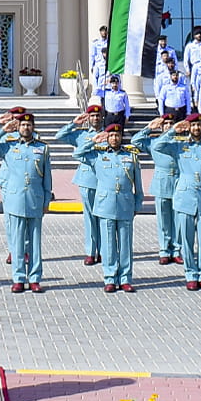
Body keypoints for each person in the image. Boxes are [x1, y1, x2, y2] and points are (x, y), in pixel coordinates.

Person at [0, 108, 53, 292]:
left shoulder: (42, 148)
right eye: (22, 125)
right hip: (15, 200)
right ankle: (19, 278)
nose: (25, 127)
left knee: (34, 243)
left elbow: (47, 178)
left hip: (35, 199)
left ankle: (35, 278)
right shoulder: (9, 146)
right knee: (18, 243)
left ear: (33, 127)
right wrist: (2, 129)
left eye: (29, 125)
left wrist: (46, 201)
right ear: (18, 127)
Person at [157, 110, 201, 290]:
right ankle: (190, 274)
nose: (196, 128)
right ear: (188, 127)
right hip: (184, 197)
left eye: (199, 125)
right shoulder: (179, 145)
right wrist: (173, 130)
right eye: (193, 125)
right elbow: (157, 146)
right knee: (186, 238)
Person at [74, 122, 142, 292]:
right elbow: (78, 153)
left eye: (117, 135)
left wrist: (137, 204)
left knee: (125, 244)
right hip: (105, 205)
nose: (114, 138)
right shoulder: (97, 155)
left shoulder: (131, 156)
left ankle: (125, 278)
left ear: (121, 137)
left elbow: (138, 186)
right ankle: (110, 277)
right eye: (111, 135)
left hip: (126, 203)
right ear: (107, 138)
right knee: (108, 243)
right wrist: (95, 140)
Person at [52, 109, 103, 268]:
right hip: (87, 178)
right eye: (92, 116)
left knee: (103, 217)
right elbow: (59, 136)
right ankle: (90, 251)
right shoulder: (81, 135)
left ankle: (103, 251)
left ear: (102, 118)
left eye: (97, 116)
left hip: (104, 179)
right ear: (88, 118)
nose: (95, 118)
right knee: (89, 217)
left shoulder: (109, 133)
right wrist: (74, 123)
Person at [138, 112, 182, 265]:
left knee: (178, 219)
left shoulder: (180, 141)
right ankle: (164, 249)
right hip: (162, 183)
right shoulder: (154, 142)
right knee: (163, 220)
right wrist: (149, 128)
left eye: (171, 124)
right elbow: (136, 141)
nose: (169, 127)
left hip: (178, 182)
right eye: (166, 124)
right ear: (161, 127)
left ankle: (176, 250)